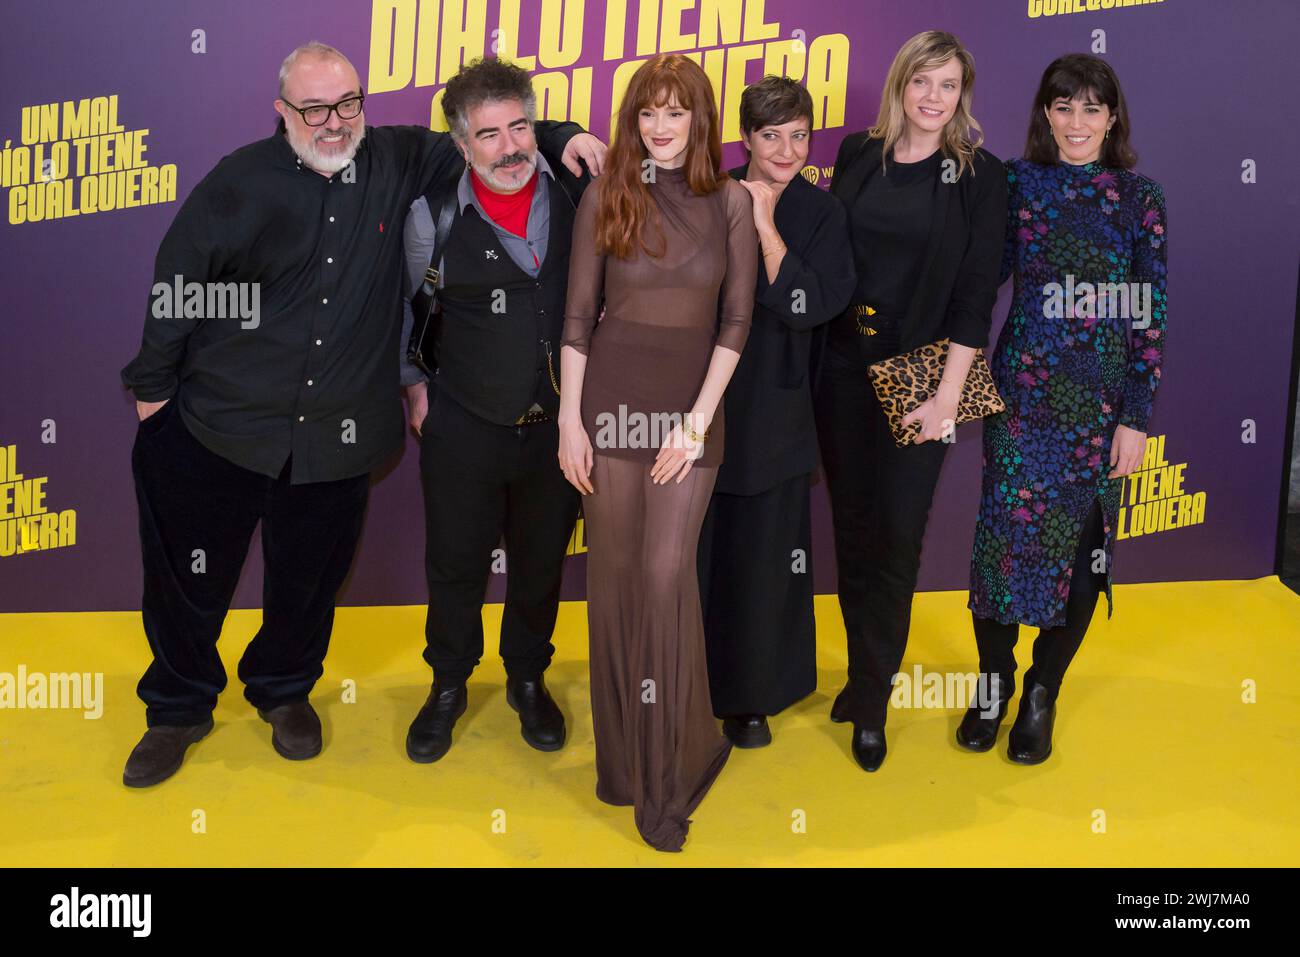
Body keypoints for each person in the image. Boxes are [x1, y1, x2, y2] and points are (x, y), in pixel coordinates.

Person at [119, 41, 605, 788]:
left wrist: (559, 133)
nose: (334, 121)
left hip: (338, 436)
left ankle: (283, 691)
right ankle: (178, 708)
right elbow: (178, 280)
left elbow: (494, 135)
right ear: (284, 112)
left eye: (347, 103)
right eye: (314, 108)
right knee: (191, 582)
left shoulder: (402, 159)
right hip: (221, 425)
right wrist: (153, 394)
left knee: (307, 581)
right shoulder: (238, 182)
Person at [558, 54, 758, 851]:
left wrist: (696, 422)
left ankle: (667, 779)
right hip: (606, 409)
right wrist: (570, 423)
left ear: (700, 119)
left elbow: (735, 323)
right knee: (611, 582)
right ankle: (622, 766)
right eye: (649, 112)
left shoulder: (733, 202)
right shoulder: (606, 190)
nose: (662, 126)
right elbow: (577, 320)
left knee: (665, 577)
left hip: (686, 418)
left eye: (677, 112)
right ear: (633, 119)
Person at [961, 53, 1167, 764]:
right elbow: (980, 283)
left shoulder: (1140, 199)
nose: (1075, 122)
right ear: (1045, 114)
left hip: (1099, 405)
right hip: (1022, 394)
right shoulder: (1016, 184)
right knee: (1001, 547)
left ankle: (1042, 690)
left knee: (1079, 559)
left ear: (1112, 117)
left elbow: (1148, 315)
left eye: (1090, 107)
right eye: (1062, 106)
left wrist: (1135, 415)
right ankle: (994, 683)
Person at [815, 30, 1006, 772]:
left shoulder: (979, 177)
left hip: (924, 377)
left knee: (896, 538)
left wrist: (947, 399)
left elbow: (974, 295)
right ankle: (867, 673)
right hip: (842, 367)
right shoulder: (861, 155)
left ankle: (872, 703)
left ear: (963, 96)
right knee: (853, 531)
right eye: (922, 82)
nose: (933, 99)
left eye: (949, 86)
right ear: (900, 86)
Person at [399, 58, 590, 764]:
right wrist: (414, 386)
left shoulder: (578, 189)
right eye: (489, 135)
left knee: (541, 566)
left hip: (559, 433)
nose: (510, 147)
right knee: (454, 566)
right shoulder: (432, 216)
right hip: (463, 427)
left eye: (520, 127)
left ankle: (528, 678)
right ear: (460, 144)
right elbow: (404, 308)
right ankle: (448, 683)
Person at [696, 76, 854, 748]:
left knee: (765, 558)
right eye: (771, 135)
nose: (787, 148)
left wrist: (762, 224)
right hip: (698, 400)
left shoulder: (822, 214)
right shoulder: (708, 193)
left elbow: (809, 304)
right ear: (746, 138)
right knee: (698, 551)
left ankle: (752, 697)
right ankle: (687, 682)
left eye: (799, 135)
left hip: (777, 407)